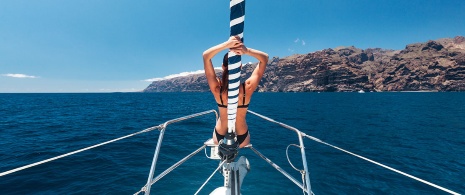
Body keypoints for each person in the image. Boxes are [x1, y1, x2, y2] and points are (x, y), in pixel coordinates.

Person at [203, 36, 268, 148]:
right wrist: (246, 51)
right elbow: (265, 58)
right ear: (240, 66)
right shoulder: (247, 88)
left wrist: (226, 45)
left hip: (219, 137)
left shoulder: (217, 89)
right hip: (242, 138)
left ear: (223, 67)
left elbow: (206, 56)